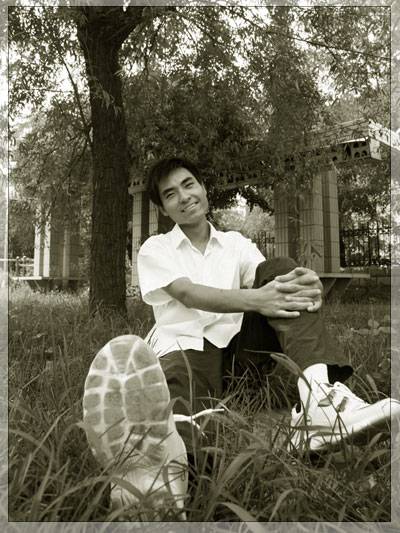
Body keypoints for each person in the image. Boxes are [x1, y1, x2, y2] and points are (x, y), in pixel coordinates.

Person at [82, 157, 400, 517]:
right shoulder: (156, 248)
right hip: (185, 350)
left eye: (188, 184)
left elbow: (273, 286)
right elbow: (188, 294)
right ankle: (158, 480)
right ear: (164, 209)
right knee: (188, 422)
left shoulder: (236, 243)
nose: (183, 197)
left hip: (241, 357)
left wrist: (304, 287)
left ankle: (321, 396)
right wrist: (260, 299)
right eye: (170, 194)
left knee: (281, 270)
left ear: (203, 187)